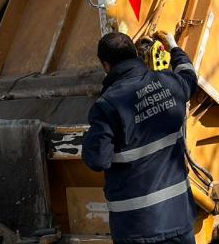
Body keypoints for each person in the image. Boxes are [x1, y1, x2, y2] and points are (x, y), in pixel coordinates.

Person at [83, 30, 198, 244]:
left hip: (136, 227)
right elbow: (189, 77)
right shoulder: (169, 84)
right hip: (178, 218)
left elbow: (98, 159)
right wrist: (174, 47)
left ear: (106, 66)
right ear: (135, 53)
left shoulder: (107, 106)